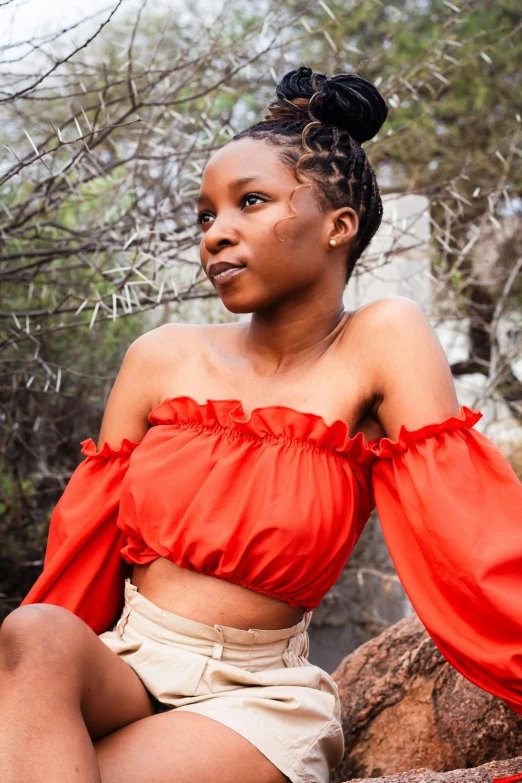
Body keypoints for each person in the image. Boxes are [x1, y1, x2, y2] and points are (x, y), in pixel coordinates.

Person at [2, 66, 522, 783]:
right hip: (121, 665)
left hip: (255, 696)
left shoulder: (378, 341)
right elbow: (81, 556)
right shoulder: (159, 357)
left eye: (251, 202)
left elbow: (468, 533)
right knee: (32, 631)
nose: (217, 234)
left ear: (339, 226)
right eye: (206, 215)